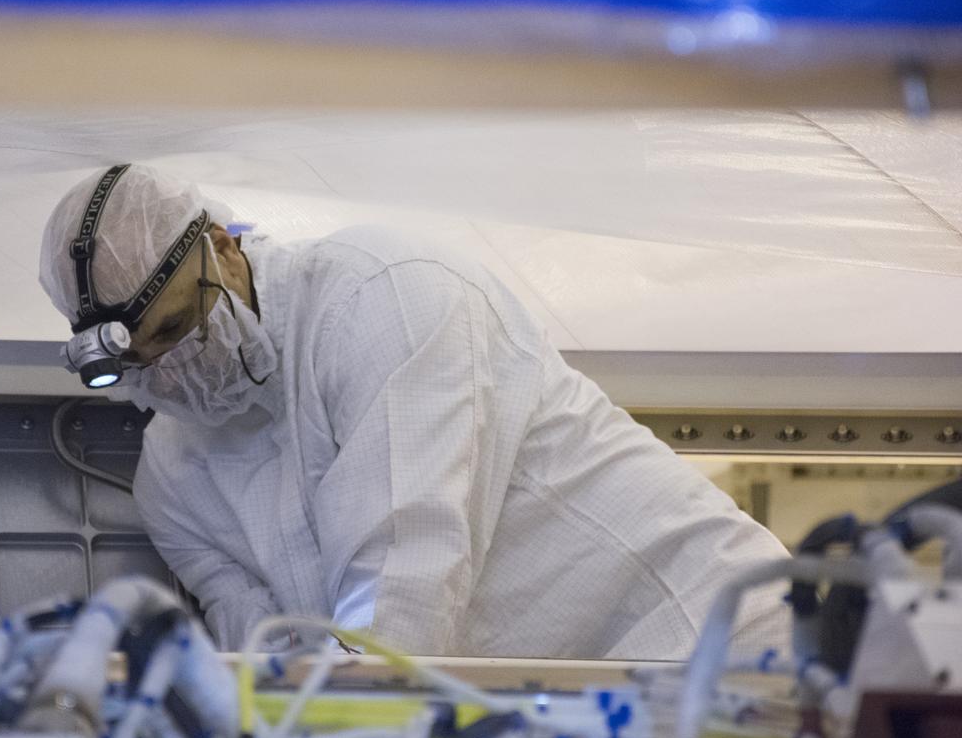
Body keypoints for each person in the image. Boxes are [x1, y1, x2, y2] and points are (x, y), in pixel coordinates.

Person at [39, 163, 789, 659]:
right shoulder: (172, 481)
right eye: (139, 364)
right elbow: (271, 660)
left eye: (178, 329)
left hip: (719, 649)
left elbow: (402, 592)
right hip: (561, 719)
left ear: (223, 250)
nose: (176, 375)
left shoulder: (381, 296)